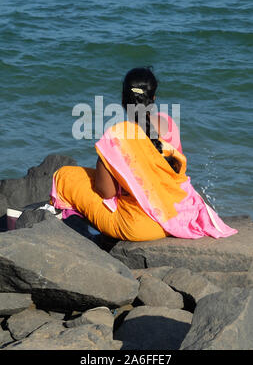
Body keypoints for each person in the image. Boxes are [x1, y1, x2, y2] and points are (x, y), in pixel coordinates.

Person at [50, 67, 237, 241]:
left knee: (65, 177)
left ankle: (76, 226)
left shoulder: (118, 135)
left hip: (140, 226)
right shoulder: (168, 123)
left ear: (123, 99)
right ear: (153, 98)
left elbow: (107, 193)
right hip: (175, 216)